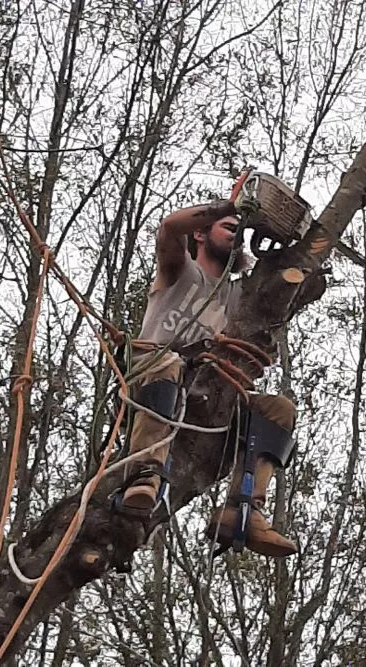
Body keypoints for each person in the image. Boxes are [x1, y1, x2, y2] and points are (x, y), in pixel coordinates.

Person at [120, 198, 298, 558]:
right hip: (153, 384)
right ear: (200, 233)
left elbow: (286, 287)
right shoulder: (178, 272)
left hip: (210, 400)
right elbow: (170, 227)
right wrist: (232, 205)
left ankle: (243, 509)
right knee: (167, 360)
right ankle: (145, 474)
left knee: (278, 409)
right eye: (229, 227)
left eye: (240, 232)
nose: (236, 236)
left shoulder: (241, 296)